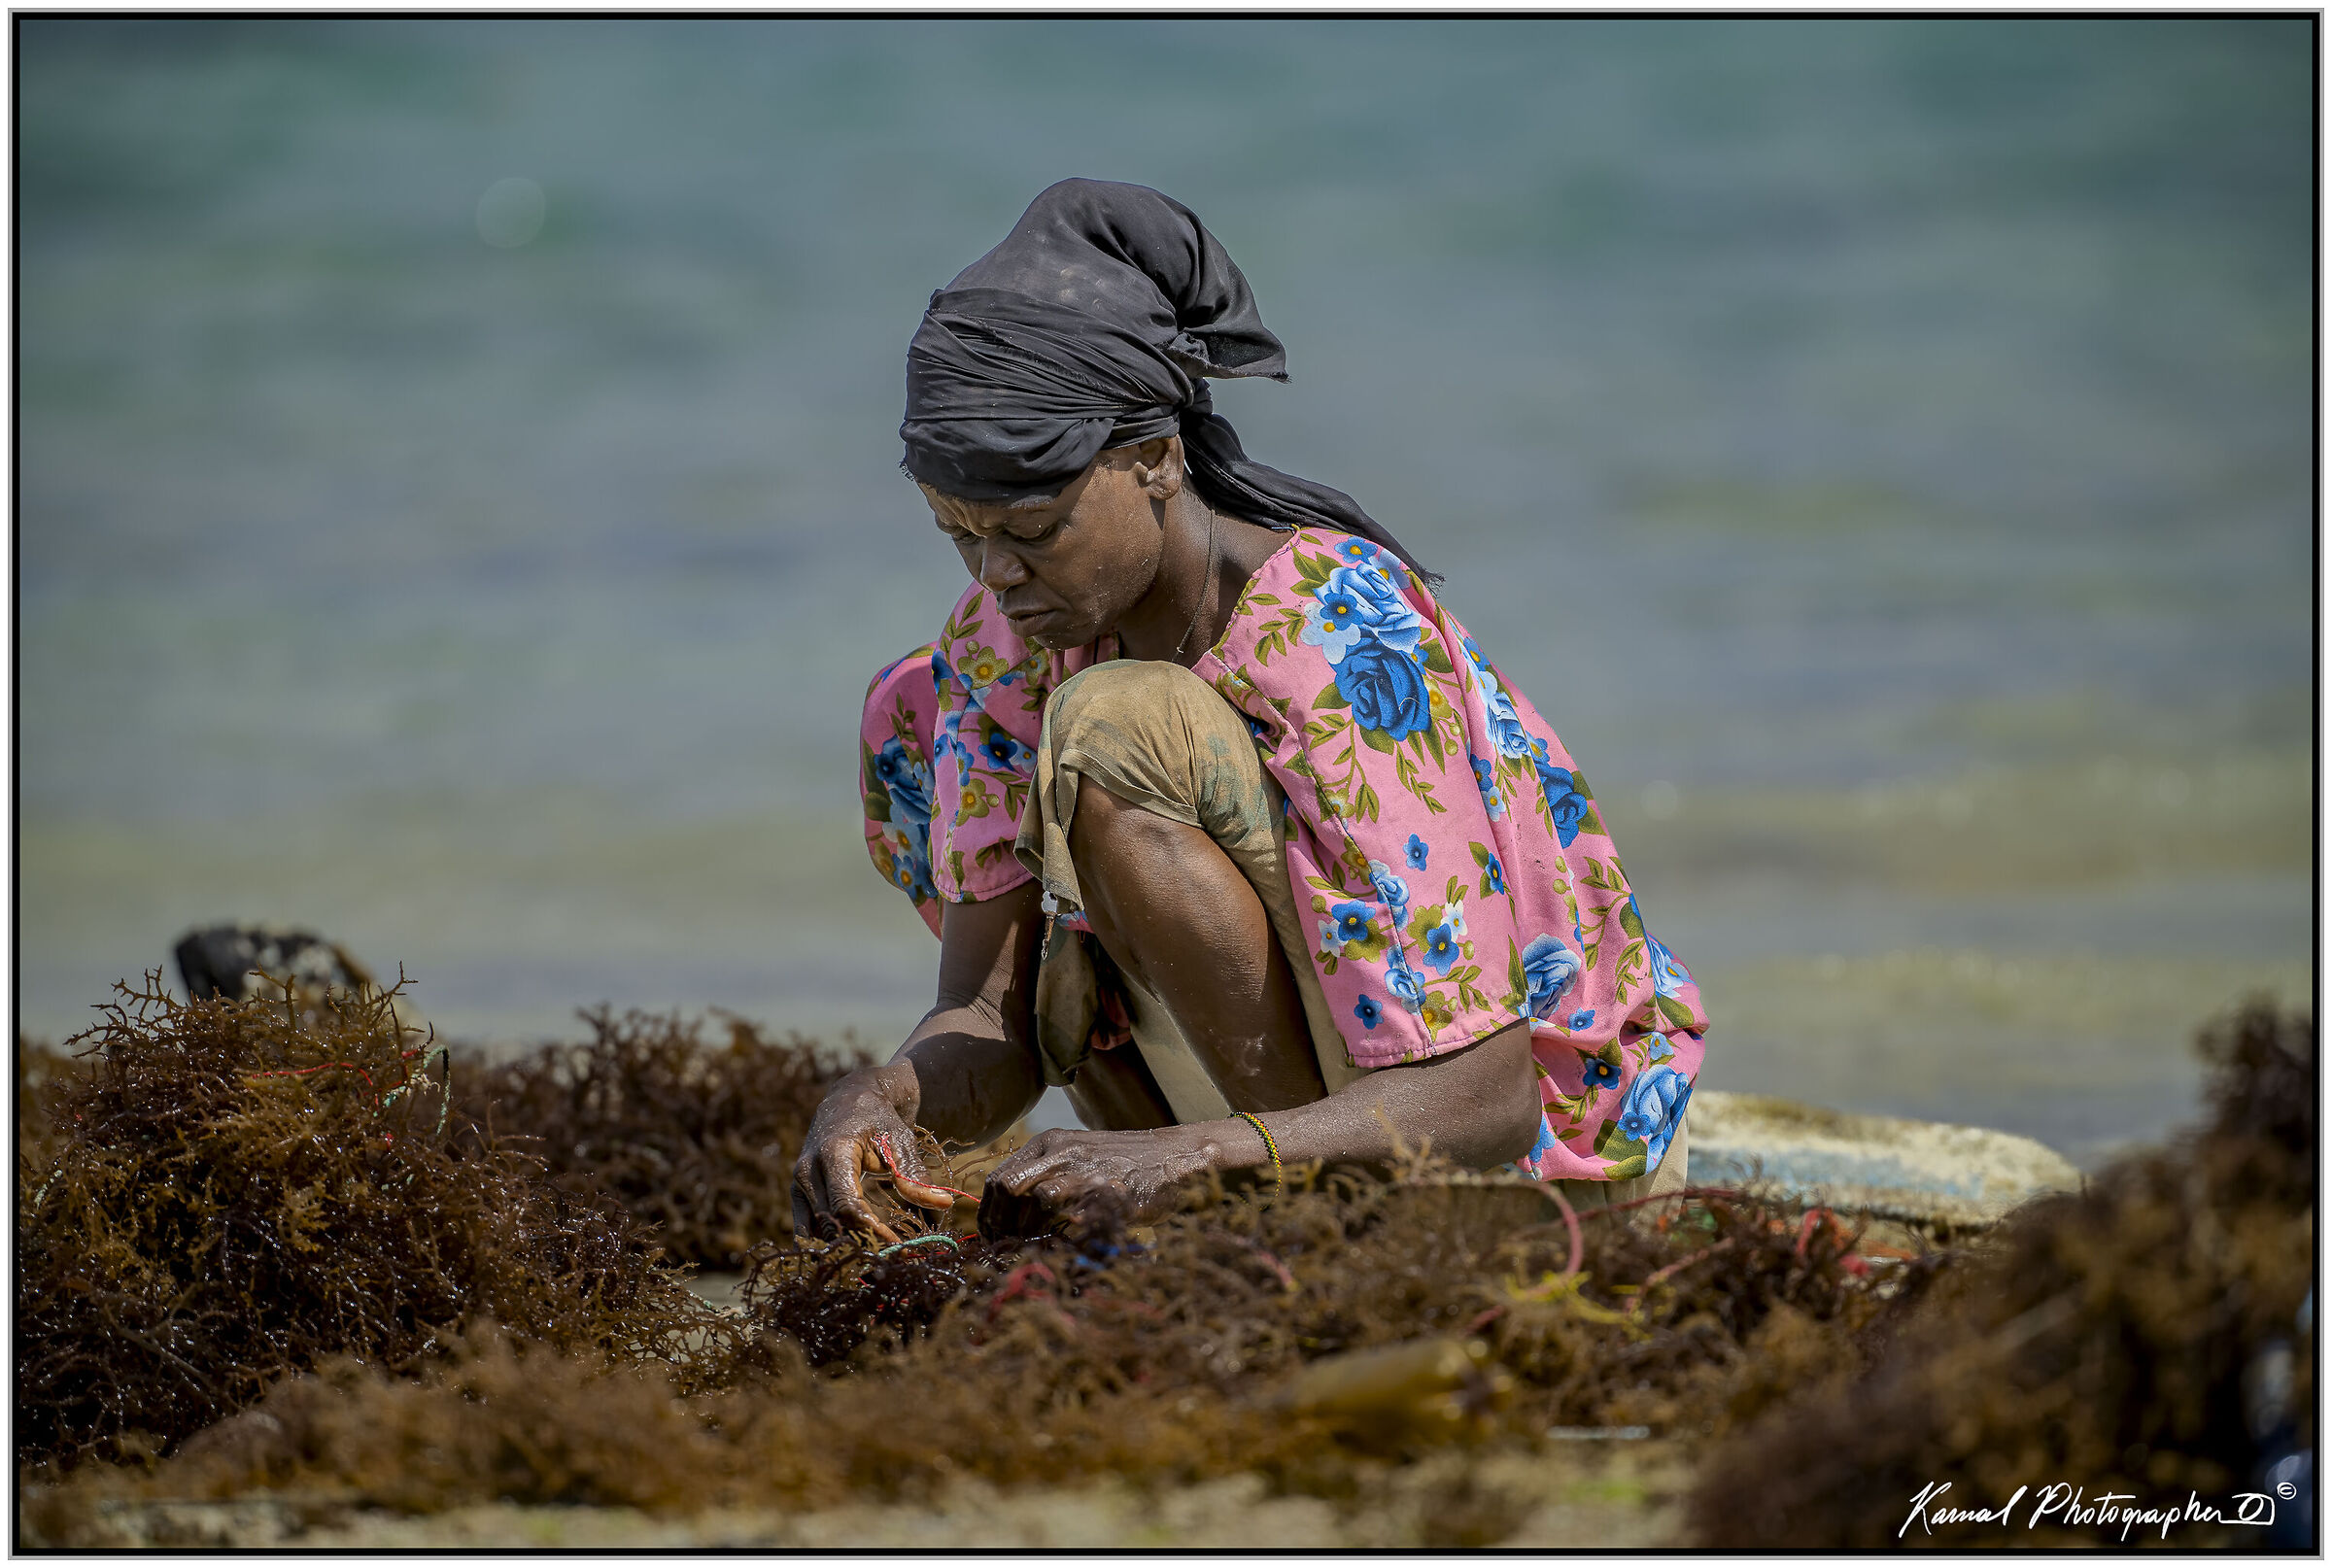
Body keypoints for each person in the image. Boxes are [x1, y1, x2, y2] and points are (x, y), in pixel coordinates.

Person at [793, 180, 1706, 1244]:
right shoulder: (998, 648)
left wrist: (1192, 1158)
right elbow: (996, 1025)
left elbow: (1491, 1099)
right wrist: (882, 1098)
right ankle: (1256, 1229)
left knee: (1115, 726)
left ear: (1155, 459)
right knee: (912, 702)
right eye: (960, 534)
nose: (998, 575)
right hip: (1279, 1142)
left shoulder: (1333, 634)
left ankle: (1293, 1238)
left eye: (1034, 530)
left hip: (1539, 1175)